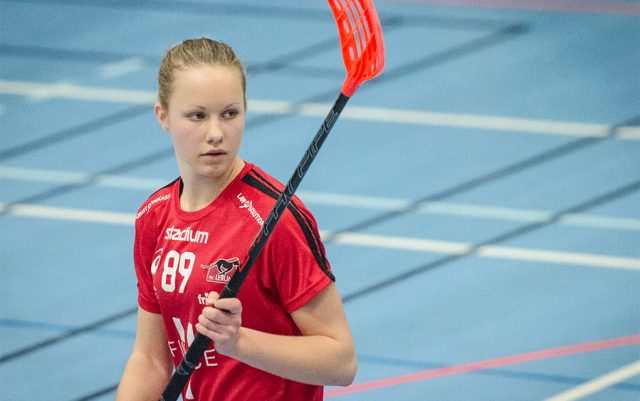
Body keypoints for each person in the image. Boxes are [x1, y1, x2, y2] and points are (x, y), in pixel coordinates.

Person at [115, 38, 357, 400]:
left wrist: (239, 342)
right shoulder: (154, 216)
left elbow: (341, 361)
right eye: (198, 116)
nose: (216, 134)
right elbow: (150, 359)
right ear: (162, 116)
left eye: (230, 113)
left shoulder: (276, 219)